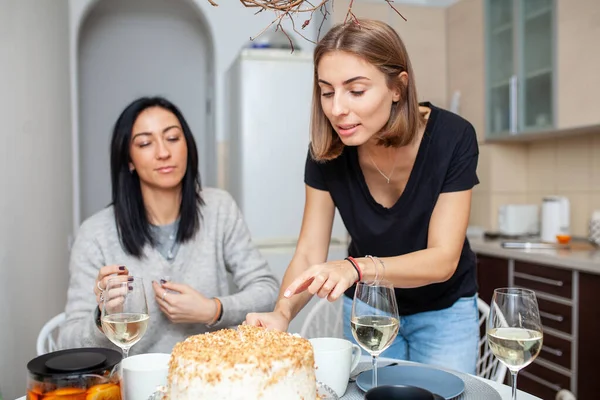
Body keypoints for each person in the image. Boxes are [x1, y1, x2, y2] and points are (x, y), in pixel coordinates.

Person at [246, 19, 480, 374]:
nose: (337, 108)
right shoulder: (327, 153)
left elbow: (443, 259)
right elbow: (310, 252)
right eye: (327, 91)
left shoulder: (453, 138)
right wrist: (283, 311)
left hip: (444, 311)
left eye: (355, 91)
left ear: (398, 87)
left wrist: (356, 267)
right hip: (369, 310)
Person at [59, 96, 279, 355]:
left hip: (210, 378)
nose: (163, 152)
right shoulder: (95, 234)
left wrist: (213, 309)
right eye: (144, 143)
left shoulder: (219, 208)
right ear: (128, 159)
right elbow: (67, 342)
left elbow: (266, 289)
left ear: (188, 145)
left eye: (173, 138)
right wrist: (103, 316)